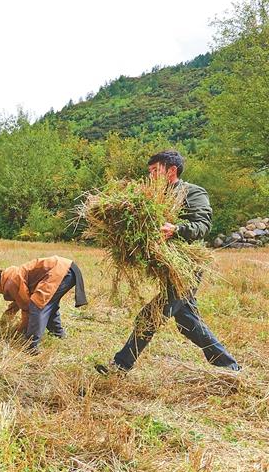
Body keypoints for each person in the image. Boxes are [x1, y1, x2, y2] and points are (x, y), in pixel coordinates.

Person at [96, 150, 241, 375]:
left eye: (155, 171)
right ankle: (230, 367)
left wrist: (177, 229)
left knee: (150, 315)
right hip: (168, 267)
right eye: (150, 172)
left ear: (172, 170)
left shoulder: (192, 192)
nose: (151, 176)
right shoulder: (153, 197)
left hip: (187, 267)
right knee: (187, 323)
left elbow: (203, 226)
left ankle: (121, 366)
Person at [0, 255, 87, 353]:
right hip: (67, 268)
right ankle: (58, 334)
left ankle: (30, 346)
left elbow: (27, 308)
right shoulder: (11, 276)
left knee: (37, 305)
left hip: (61, 271)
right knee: (48, 305)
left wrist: (19, 331)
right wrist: (2, 322)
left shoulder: (11, 282)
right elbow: (17, 303)